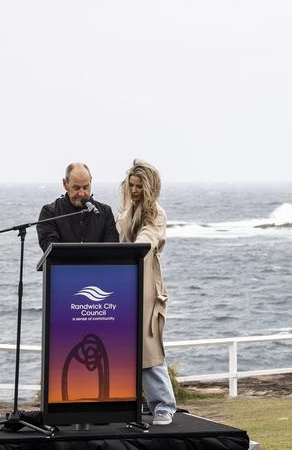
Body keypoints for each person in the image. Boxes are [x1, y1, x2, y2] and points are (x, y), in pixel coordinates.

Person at [115, 159, 176, 426]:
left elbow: (148, 239)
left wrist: (131, 251)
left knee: (149, 347)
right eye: (131, 185)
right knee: (123, 346)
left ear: (150, 187)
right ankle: (125, 402)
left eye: (139, 185)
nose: (135, 189)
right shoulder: (126, 211)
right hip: (123, 285)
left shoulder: (156, 214)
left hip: (146, 287)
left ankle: (164, 406)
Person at [36, 163, 120, 251]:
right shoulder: (50, 213)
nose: (81, 193)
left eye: (85, 187)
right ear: (65, 184)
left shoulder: (105, 212)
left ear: (91, 181)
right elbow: (51, 250)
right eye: (76, 188)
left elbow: (112, 250)